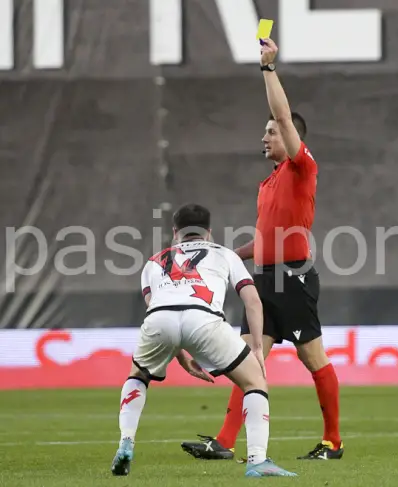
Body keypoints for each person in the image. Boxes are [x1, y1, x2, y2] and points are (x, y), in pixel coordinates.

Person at [180, 38, 343, 462]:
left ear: (291, 138)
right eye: (265, 131)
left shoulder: (301, 167)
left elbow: (284, 115)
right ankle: (225, 443)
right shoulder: (268, 184)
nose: (265, 136)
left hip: (294, 275)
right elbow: (264, 241)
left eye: (271, 131)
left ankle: (333, 443)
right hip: (266, 278)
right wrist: (227, 255)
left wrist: (268, 69)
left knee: (313, 358)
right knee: (246, 360)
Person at [111, 204, 296, 478]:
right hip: (205, 320)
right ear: (208, 232)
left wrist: (181, 354)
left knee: (137, 376)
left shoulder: (153, 262)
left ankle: (126, 441)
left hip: (159, 321)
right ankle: (257, 461)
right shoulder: (225, 254)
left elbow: (161, 311)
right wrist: (257, 347)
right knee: (255, 381)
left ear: (175, 233)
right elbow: (252, 300)